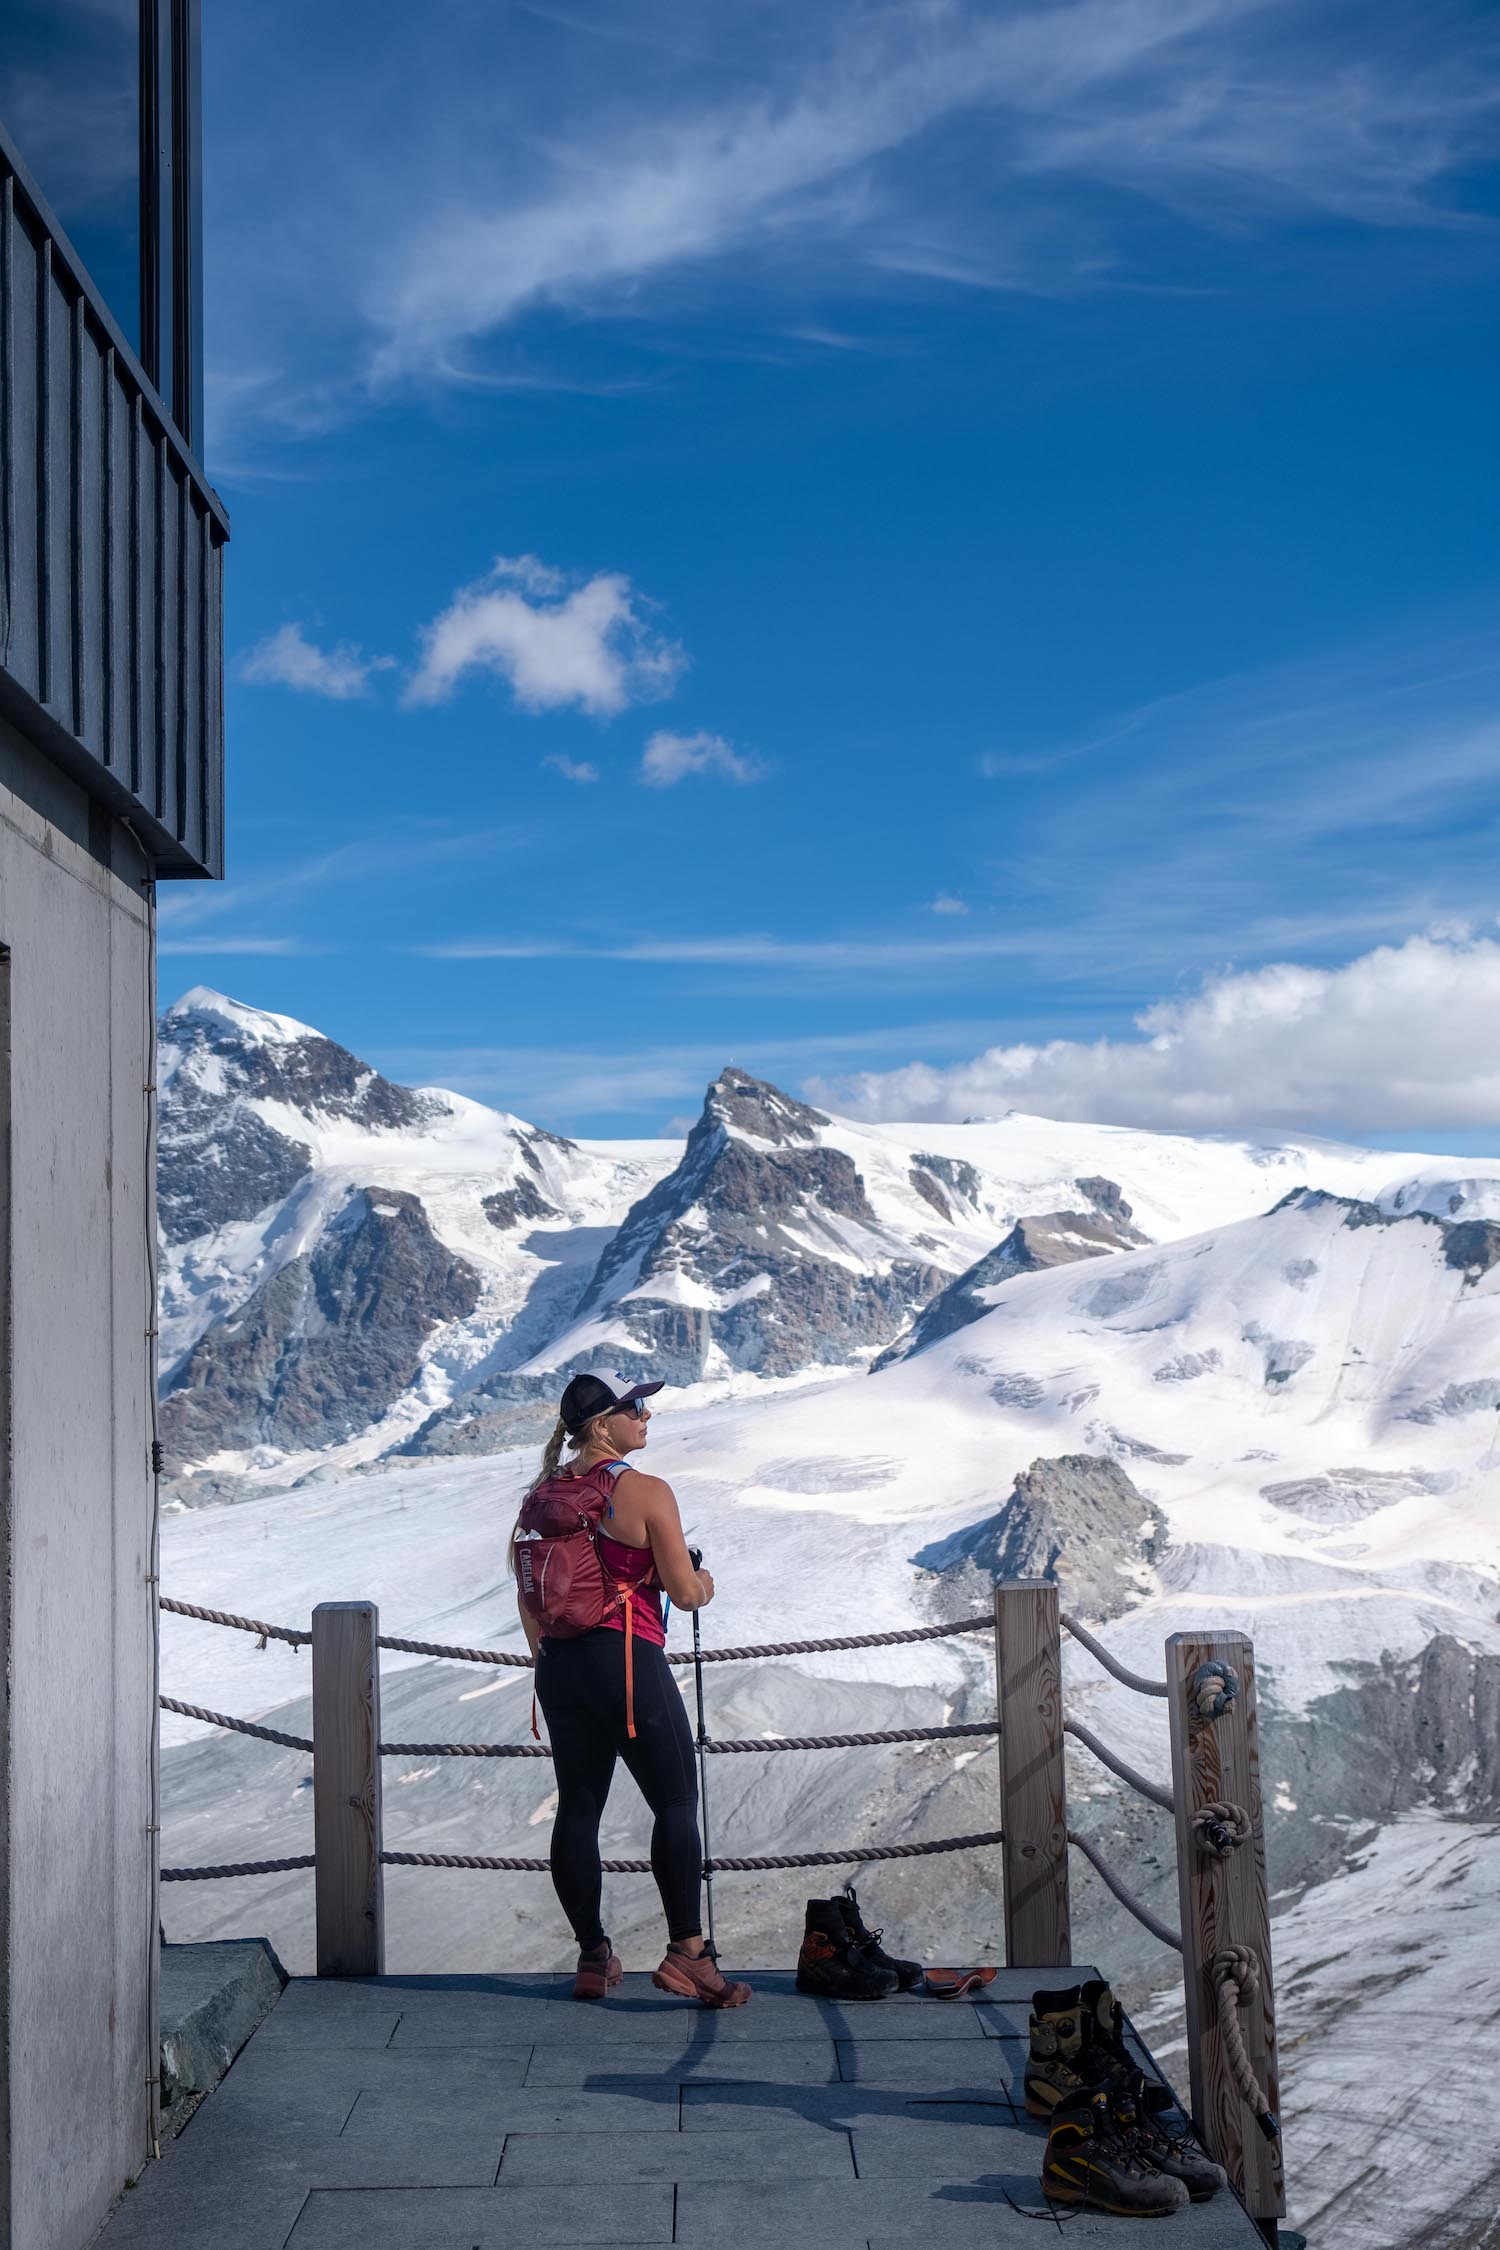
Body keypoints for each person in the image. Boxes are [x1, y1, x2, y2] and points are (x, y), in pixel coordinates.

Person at [515, 1370, 751, 2008]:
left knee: (579, 1808)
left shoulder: (542, 1496)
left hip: (560, 1667)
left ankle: (594, 1958)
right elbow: (682, 1591)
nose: (647, 1415)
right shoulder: (645, 1491)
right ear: (602, 1424)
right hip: (626, 1661)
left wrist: (555, 1663)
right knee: (674, 1801)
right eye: (635, 1406)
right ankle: (688, 1956)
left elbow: (530, 1597)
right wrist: (706, 1582)